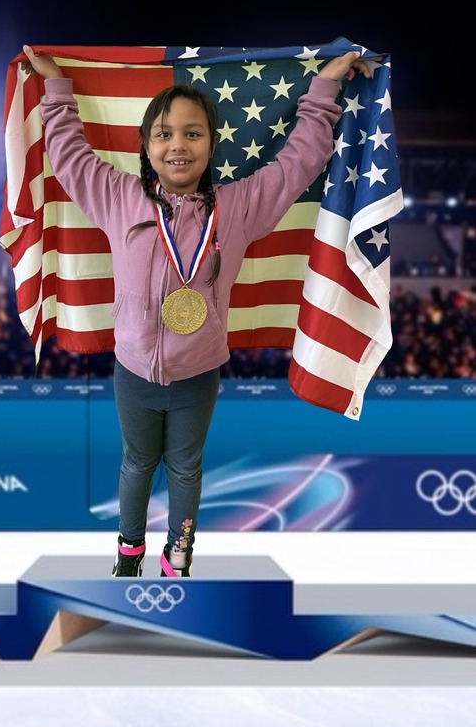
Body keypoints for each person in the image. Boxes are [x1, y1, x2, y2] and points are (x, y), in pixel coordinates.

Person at [21, 44, 375, 578]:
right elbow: (70, 157)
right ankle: (129, 550)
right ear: (146, 147)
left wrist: (324, 86)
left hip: (198, 373)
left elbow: (297, 163)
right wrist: (55, 87)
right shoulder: (119, 197)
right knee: (137, 463)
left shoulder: (238, 207)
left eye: (192, 134)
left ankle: (178, 555)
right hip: (133, 371)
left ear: (212, 144)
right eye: (164, 135)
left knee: (185, 468)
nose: (178, 146)